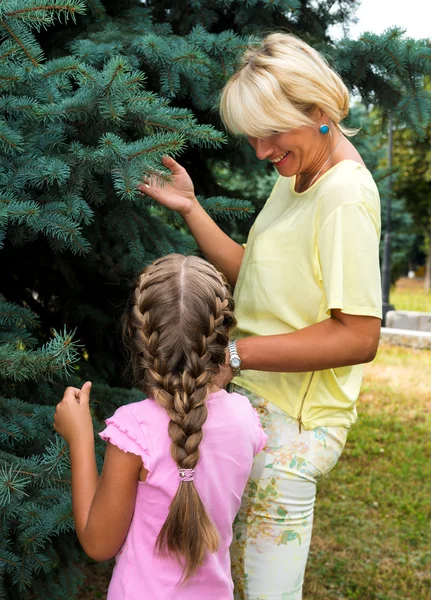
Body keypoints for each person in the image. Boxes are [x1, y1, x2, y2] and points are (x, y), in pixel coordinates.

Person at [138, 33, 382, 600]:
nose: (260, 150)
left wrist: (236, 355)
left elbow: (360, 334)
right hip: (258, 402)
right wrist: (192, 209)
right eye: (253, 135)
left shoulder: (343, 196)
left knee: (272, 589)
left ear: (318, 110)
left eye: (272, 132)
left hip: (298, 426)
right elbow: (260, 273)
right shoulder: (299, 176)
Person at [54, 254, 267, 600]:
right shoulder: (245, 418)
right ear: (223, 337)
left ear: (138, 338)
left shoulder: (135, 429)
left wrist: (79, 438)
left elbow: (98, 543)